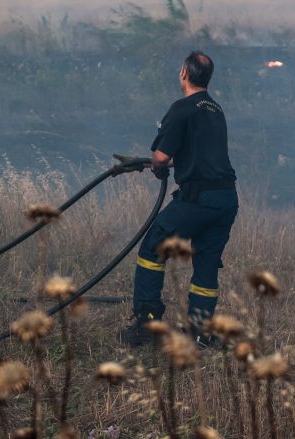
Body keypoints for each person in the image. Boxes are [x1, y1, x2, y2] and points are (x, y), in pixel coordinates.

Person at [120, 51, 238, 348]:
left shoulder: (182, 108)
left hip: (198, 200)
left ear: (184, 73)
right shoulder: (215, 109)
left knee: (152, 247)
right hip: (225, 201)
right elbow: (196, 157)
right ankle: (201, 333)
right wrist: (155, 163)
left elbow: (161, 157)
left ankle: (147, 324)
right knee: (206, 263)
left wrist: (156, 165)